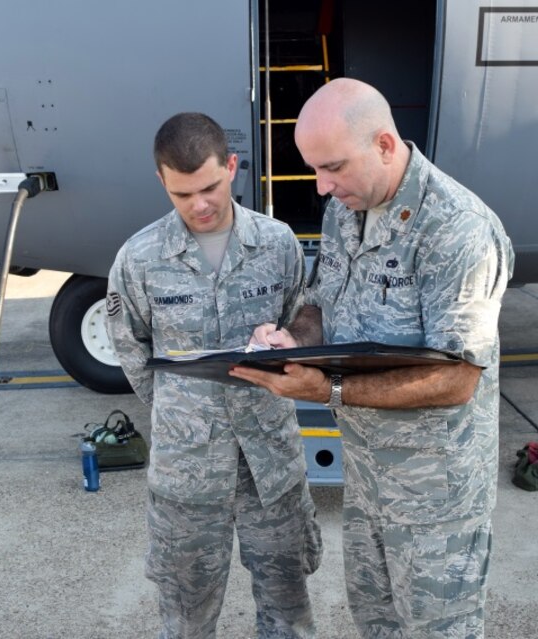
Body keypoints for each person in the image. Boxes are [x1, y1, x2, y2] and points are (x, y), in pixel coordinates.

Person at [231, 79, 514, 638]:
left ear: (384, 144)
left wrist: (327, 392)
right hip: (366, 482)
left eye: (332, 167)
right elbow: (320, 300)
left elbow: (457, 379)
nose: (321, 185)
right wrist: (294, 339)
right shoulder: (347, 209)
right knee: (377, 627)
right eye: (314, 168)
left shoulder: (457, 231)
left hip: (436, 497)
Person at [106, 112, 322, 639]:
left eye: (210, 187)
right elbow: (132, 350)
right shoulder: (139, 258)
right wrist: (184, 415)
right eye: (182, 195)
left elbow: (305, 317)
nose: (199, 205)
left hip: (270, 465)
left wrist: (292, 341)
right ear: (162, 181)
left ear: (231, 166)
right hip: (188, 474)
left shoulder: (277, 244)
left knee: (288, 611)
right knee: (185, 617)